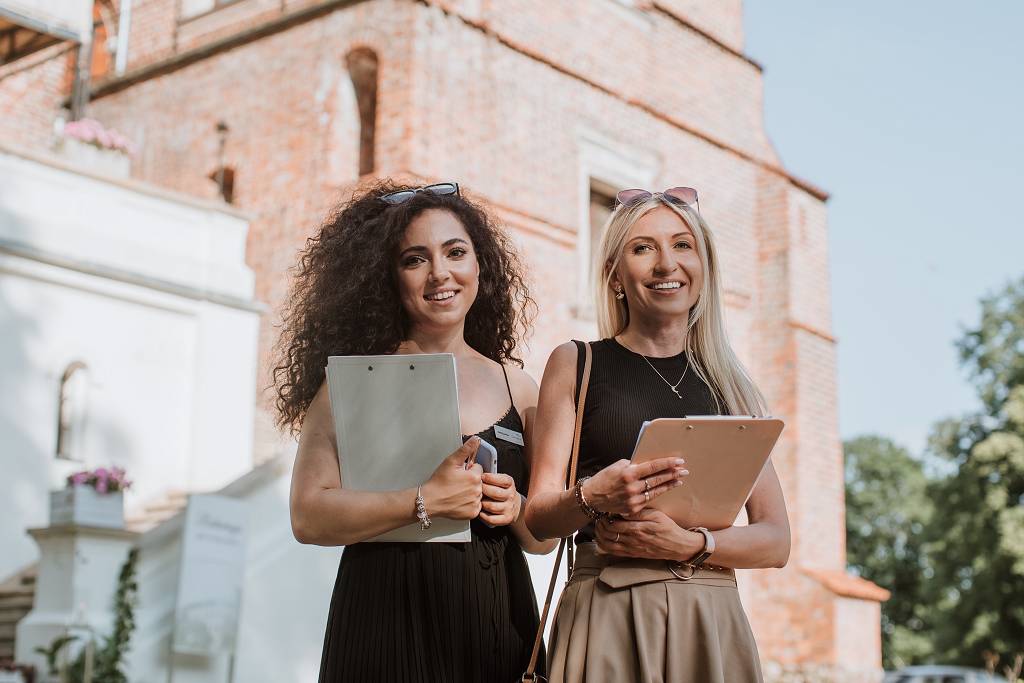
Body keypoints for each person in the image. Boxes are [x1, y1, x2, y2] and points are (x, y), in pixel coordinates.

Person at [275, 180, 555, 683]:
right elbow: (307, 516)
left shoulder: (521, 387)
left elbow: (541, 541)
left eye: (455, 252)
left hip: (495, 624)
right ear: (388, 278)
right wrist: (424, 499)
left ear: (480, 266)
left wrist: (514, 509)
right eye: (414, 259)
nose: (439, 273)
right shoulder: (353, 380)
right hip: (382, 621)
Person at [525, 187, 791, 683]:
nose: (666, 263)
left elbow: (776, 541)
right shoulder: (577, 363)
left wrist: (691, 544)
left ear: (704, 267)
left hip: (708, 620)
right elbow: (538, 519)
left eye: (682, 245)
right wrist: (591, 495)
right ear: (615, 275)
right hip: (608, 613)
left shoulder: (728, 385)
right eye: (643, 248)